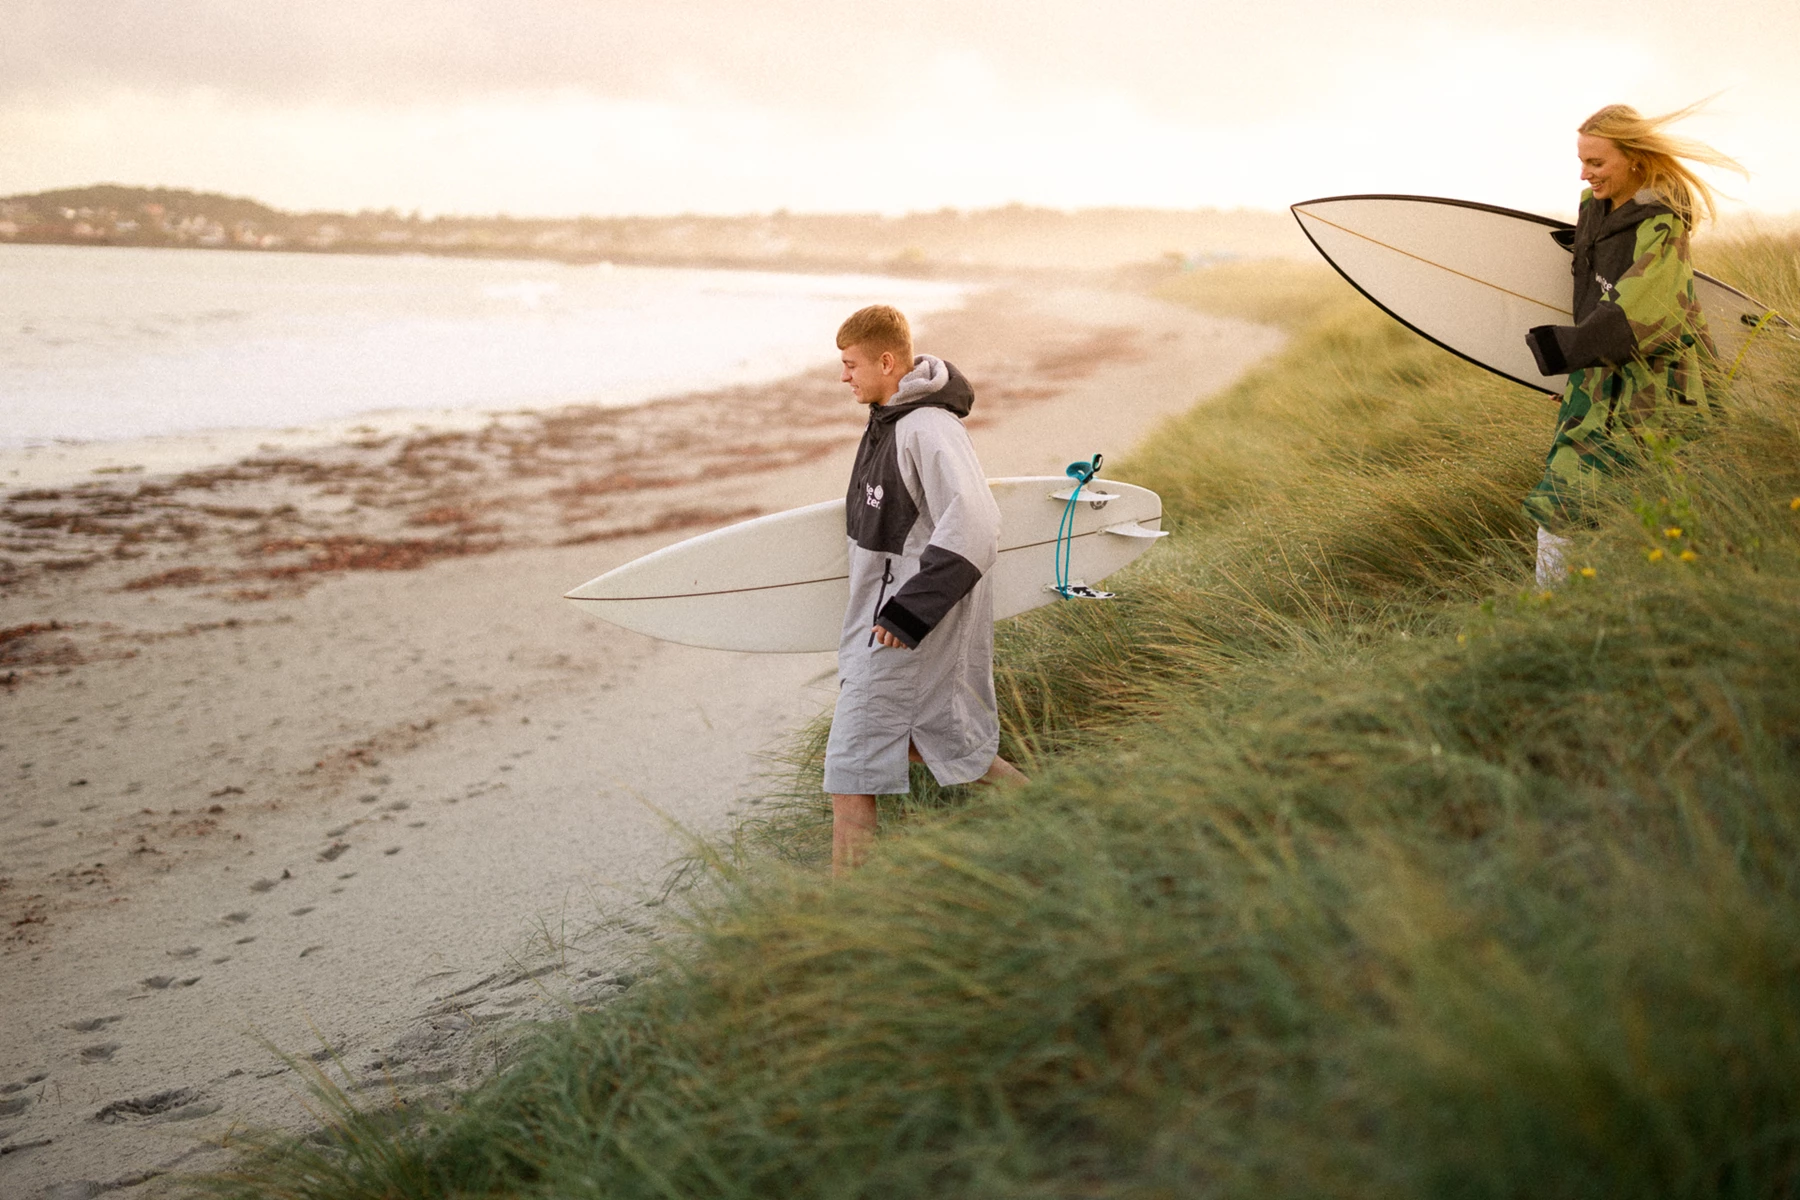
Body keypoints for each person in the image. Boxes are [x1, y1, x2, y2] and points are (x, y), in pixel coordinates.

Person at [826, 305, 1027, 875]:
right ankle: (1056, 816)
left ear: (887, 362)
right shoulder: (890, 417)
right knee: (942, 745)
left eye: (850, 364)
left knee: (850, 770)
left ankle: (844, 917)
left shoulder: (927, 427)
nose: (844, 377)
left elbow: (976, 525)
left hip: (902, 632)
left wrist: (908, 614)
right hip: (884, 622)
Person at [1522, 102, 1745, 587]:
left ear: (1636, 159)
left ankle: (1668, 609)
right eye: (1582, 162)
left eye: (1597, 163)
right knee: (1564, 508)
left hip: (1660, 390)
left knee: (1668, 509)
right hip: (1599, 380)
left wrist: (1567, 352)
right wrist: (1578, 374)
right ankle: (1556, 614)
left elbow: (1645, 305)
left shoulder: (1660, 221)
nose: (1585, 174)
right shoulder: (1591, 210)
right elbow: (1589, 297)